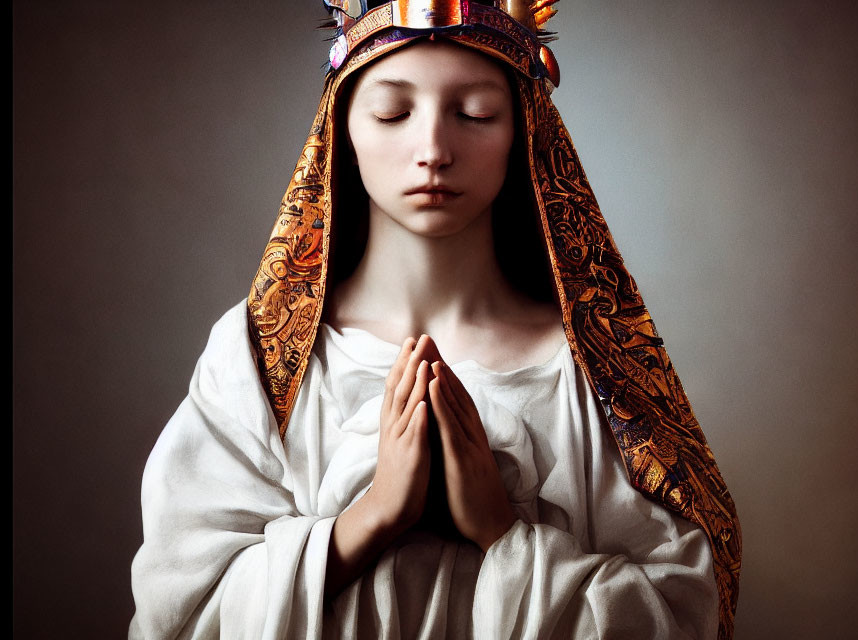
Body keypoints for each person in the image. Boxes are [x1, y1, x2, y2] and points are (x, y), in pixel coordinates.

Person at [129, 1, 741, 638]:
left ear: (523, 130)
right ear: (343, 128)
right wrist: (371, 519)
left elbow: (688, 613)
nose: (433, 149)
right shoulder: (261, 361)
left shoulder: (593, 370)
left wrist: (500, 531)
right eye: (393, 113)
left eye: (475, 114)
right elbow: (182, 609)